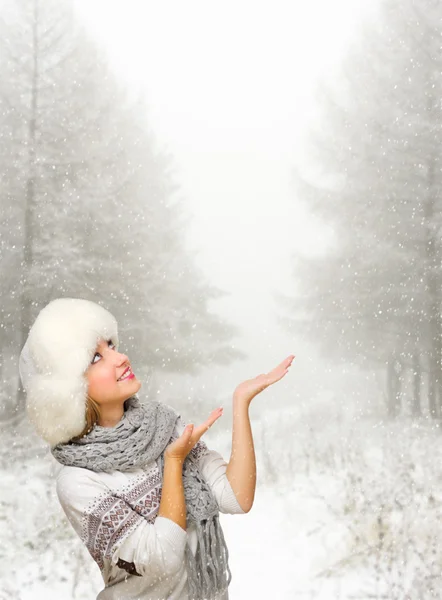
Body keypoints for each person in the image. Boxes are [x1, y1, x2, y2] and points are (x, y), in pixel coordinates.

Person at [18, 297, 295, 600]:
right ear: (69, 389)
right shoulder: (77, 481)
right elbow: (163, 557)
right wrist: (173, 461)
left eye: (111, 345)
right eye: (96, 358)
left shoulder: (162, 427)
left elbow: (236, 497)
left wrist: (241, 402)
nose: (120, 357)